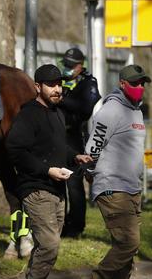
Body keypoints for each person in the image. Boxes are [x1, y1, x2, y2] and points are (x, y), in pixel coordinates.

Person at [6, 64, 92, 279]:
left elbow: (56, 144)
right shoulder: (29, 114)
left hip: (57, 189)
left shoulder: (56, 113)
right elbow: (15, 150)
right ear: (37, 87)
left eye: (59, 84)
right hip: (36, 189)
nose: (57, 89)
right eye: (51, 85)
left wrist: (74, 155)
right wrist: (47, 170)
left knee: (47, 248)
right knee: (50, 246)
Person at [85, 64, 149, 279]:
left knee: (127, 250)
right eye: (134, 83)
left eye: (142, 83)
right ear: (122, 84)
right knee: (129, 243)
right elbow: (93, 146)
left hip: (132, 188)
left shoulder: (136, 110)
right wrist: (91, 173)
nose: (139, 87)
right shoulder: (111, 110)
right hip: (113, 187)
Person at [57, 48, 101, 237]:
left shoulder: (88, 83)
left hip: (74, 135)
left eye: (70, 65)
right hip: (56, 133)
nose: (66, 68)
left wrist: (62, 100)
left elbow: (85, 108)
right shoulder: (59, 79)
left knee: (74, 183)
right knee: (56, 180)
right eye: (65, 64)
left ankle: (75, 226)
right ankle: (58, 223)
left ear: (80, 65)